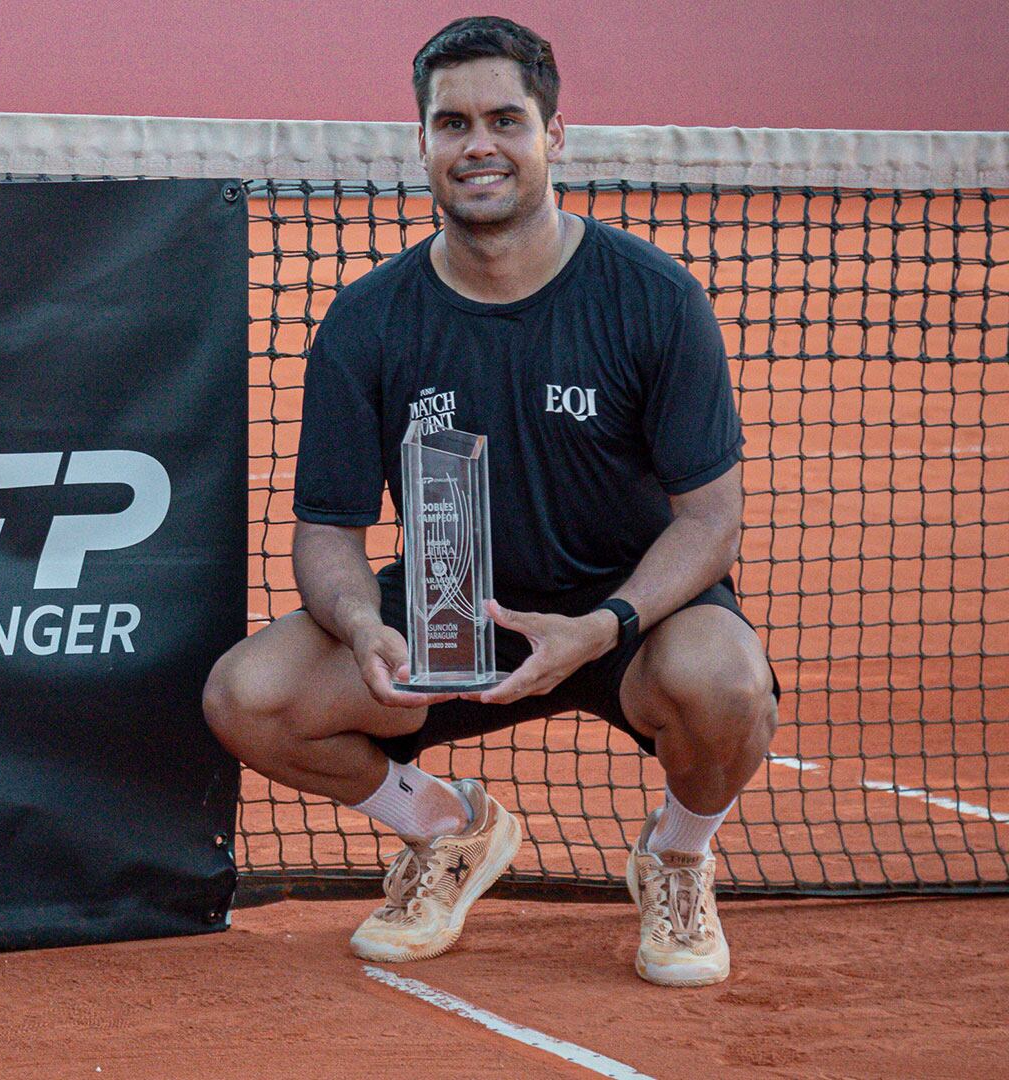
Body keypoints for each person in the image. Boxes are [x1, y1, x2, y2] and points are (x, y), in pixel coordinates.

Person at [202, 16, 778, 987]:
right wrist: (356, 623)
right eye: (451, 122)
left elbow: (711, 522)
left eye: (506, 119)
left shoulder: (653, 299)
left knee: (730, 688)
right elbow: (327, 535)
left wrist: (606, 624)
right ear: (422, 142)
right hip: (445, 621)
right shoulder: (366, 323)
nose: (478, 144)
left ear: (555, 136)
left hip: (625, 620)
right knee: (247, 697)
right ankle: (447, 831)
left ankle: (677, 856)